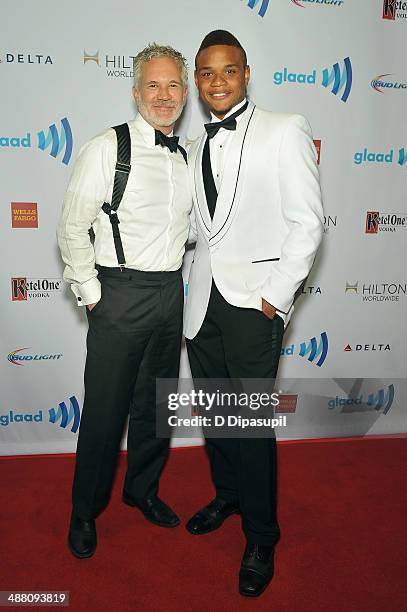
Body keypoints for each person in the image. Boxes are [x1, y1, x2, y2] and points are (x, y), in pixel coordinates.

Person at [184, 31, 324, 597]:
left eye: (228, 71)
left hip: (253, 304)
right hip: (202, 304)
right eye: (207, 73)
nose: (217, 81)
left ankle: (262, 534)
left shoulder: (284, 128)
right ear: (197, 80)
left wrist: (276, 296)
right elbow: (201, 230)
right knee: (217, 415)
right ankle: (228, 495)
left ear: (246, 73)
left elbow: (307, 222)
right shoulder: (192, 145)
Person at [57, 43, 191, 559]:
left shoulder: (184, 156)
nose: (163, 95)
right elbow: (71, 226)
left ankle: (142, 491)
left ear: (184, 94)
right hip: (118, 294)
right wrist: (93, 295)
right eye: (153, 86)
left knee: (155, 406)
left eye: (172, 85)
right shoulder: (106, 148)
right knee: (106, 413)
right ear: (136, 92)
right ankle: (84, 510)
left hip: (168, 294)